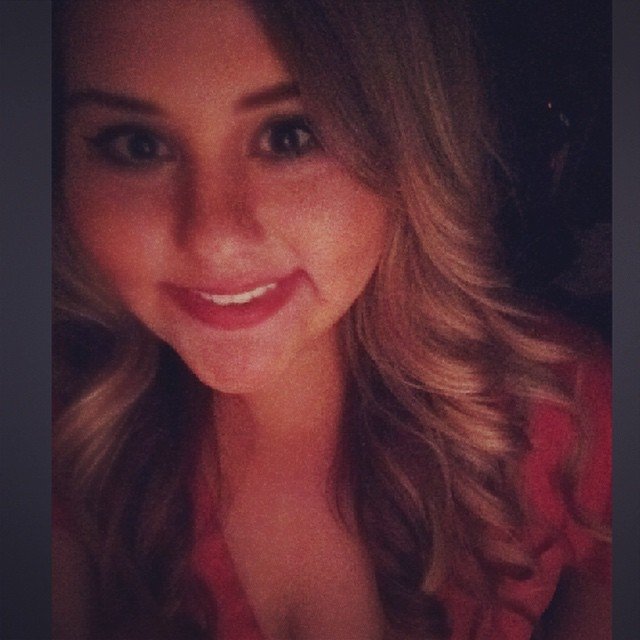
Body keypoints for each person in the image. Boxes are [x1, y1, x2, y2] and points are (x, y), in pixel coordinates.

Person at [52, 1, 611, 638]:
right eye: (137, 145)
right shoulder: (63, 431)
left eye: (291, 135)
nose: (215, 239)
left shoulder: (576, 415)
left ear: (415, 149)